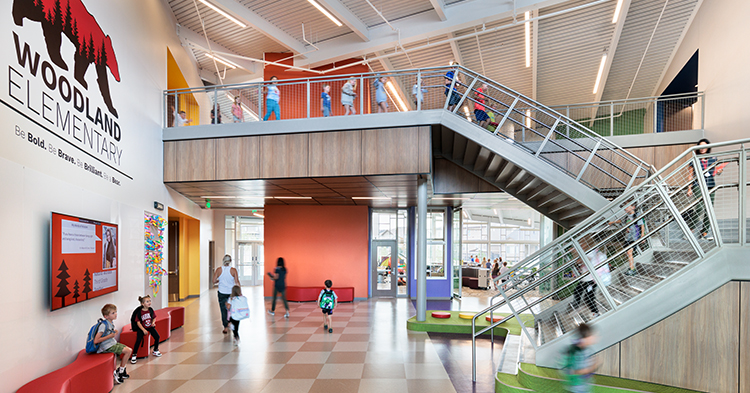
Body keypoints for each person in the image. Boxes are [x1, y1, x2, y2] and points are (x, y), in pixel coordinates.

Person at [687, 138, 724, 240]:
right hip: (697, 185)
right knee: (699, 207)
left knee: (709, 209)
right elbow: (690, 175)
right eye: (700, 147)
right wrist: (689, 188)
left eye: (704, 146)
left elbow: (717, 171)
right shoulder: (694, 159)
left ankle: (704, 232)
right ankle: (690, 229)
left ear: (707, 147)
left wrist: (720, 171)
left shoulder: (713, 158)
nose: (702, 149)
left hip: (710, 185)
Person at [94, 304, 133, 385]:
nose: (116, 314)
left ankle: (122, 369)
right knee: (128, 351)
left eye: (116, 312)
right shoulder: (103, 325)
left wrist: (114, 333)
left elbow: (109, 335)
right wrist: (110, 336)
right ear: (106, 316)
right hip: (107, 347)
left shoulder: (110, 323)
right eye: (113, 313)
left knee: (129, 350)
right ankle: (120, 372)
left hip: (112, 343)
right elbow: (96, 340)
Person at [561, 323, 600, 392]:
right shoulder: (576, 352)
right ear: (585, 337)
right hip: (577, 387)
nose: (593, 337)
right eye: (591, 335)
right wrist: (592, 367)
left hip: (583, 386)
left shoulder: (587, 349)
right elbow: (574, 371)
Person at [608, 204, 644, 276]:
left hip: (634, 237)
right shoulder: (627, 216)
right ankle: (631, 268)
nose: (625, 209)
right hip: (627, 237)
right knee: (628, 253)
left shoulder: (637, 215)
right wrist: (612, 222)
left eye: (627, 207)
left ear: (633, 207)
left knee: (629, 252)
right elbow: (620, 221)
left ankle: (632, 269)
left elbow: (642, 225)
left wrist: (642, 236)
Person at [129, 295, 161, 364]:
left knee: (157, 337)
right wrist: (143, 330)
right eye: (147, 301)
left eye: (150, 301)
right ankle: (134, 355)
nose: (149, 302)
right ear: (142, 304)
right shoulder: (139, 312)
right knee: (138, 340)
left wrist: (153, 323)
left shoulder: (151, 310)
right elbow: (138, 322)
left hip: (149, 326)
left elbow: (154, 318)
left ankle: (155, 350)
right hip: (141, 328)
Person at [213, 255, 240, 334]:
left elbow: (213, 281)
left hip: (222, 292)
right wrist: (240, 292)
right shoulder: (233, 270)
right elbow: (237, 282)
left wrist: (219, 281)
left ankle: (225, 327)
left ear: (223, 260)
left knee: (223, 310)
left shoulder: (218, 270)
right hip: (231, 293)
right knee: (232, 309)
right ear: (230, 261)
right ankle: (231, 323)